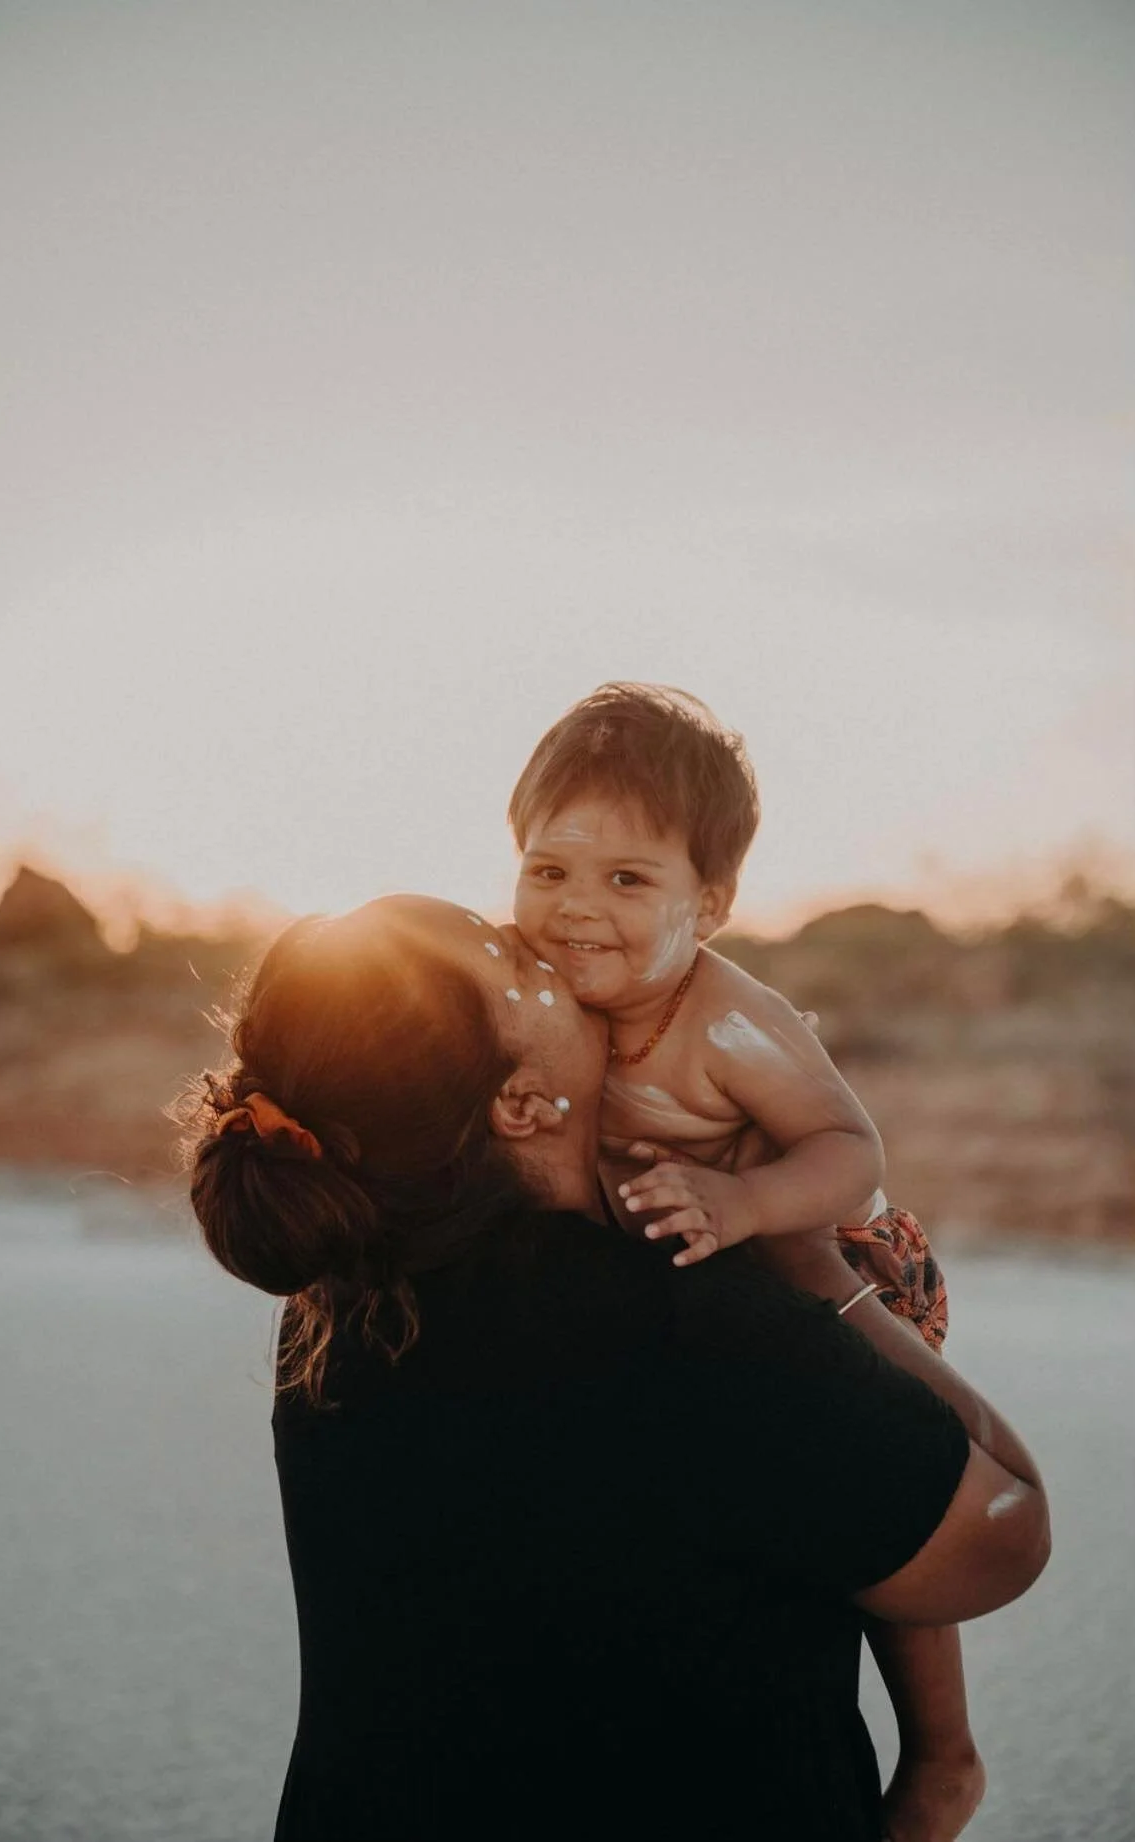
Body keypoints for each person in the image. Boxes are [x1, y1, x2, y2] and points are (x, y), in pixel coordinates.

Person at [184, 893, 1049, 1842]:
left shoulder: (341, 1314)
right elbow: (1003, 1539)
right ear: (517, 1104)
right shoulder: (680, 1323)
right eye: (518, 963)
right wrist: (803, 1255)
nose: (555, 947)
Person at [507, 682, 975, 1840]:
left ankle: (943, 1753)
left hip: (833, 1257)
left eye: (628, 881)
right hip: (677, 1282)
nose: (575, 909)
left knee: (889, 1484)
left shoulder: (723, 1022)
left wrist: (746, 1196)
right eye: (550, 869)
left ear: (706, 906)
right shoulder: (530, 990)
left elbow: (851, 1153)